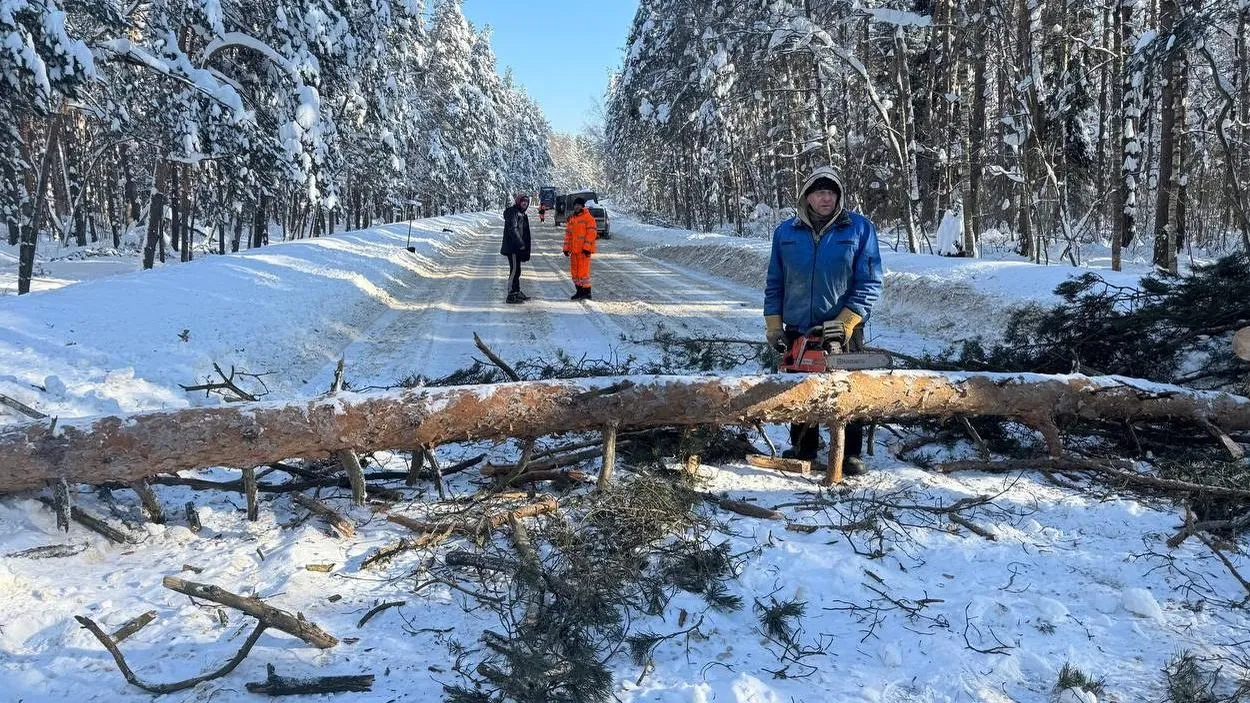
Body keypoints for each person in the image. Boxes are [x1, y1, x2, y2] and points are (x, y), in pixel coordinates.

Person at [763, 166, 883, 475]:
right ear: (807, 196)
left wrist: (846, 321)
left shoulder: (859, 229)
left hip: (844, 329)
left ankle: (851, 453)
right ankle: (803, 447)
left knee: (848, 389)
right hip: (799, 327)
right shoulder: (786, 232)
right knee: (800, 389)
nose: (825, 198)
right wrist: (774, 325)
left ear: (839, 196)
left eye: (831, 192)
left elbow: (869, 282)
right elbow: (775, 282)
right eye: (819, 192)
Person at [562, 196, 598, 300]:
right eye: (575, 205)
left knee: (583, 273)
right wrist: (566, 248)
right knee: (575, 273)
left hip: (583, 251)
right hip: (574, 251)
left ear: (582, 206)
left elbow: (591, 233)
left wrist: (587, 248)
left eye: (579, 205)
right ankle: (579, 291)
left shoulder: (588, 218)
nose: (577, 207)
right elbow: (568, 235)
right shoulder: (572, 219)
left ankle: (586, 292)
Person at [500, 194, 532, 304]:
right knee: (514, 270)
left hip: (518, 247)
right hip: (513, 247)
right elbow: (513, 229)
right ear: (518, 201)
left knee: (517, 270)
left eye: (526, 202)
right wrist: (520, 243)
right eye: (523, 201)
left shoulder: (522, 213)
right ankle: (511, 294)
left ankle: (516, 291)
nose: (525, 203)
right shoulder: (512, 212)